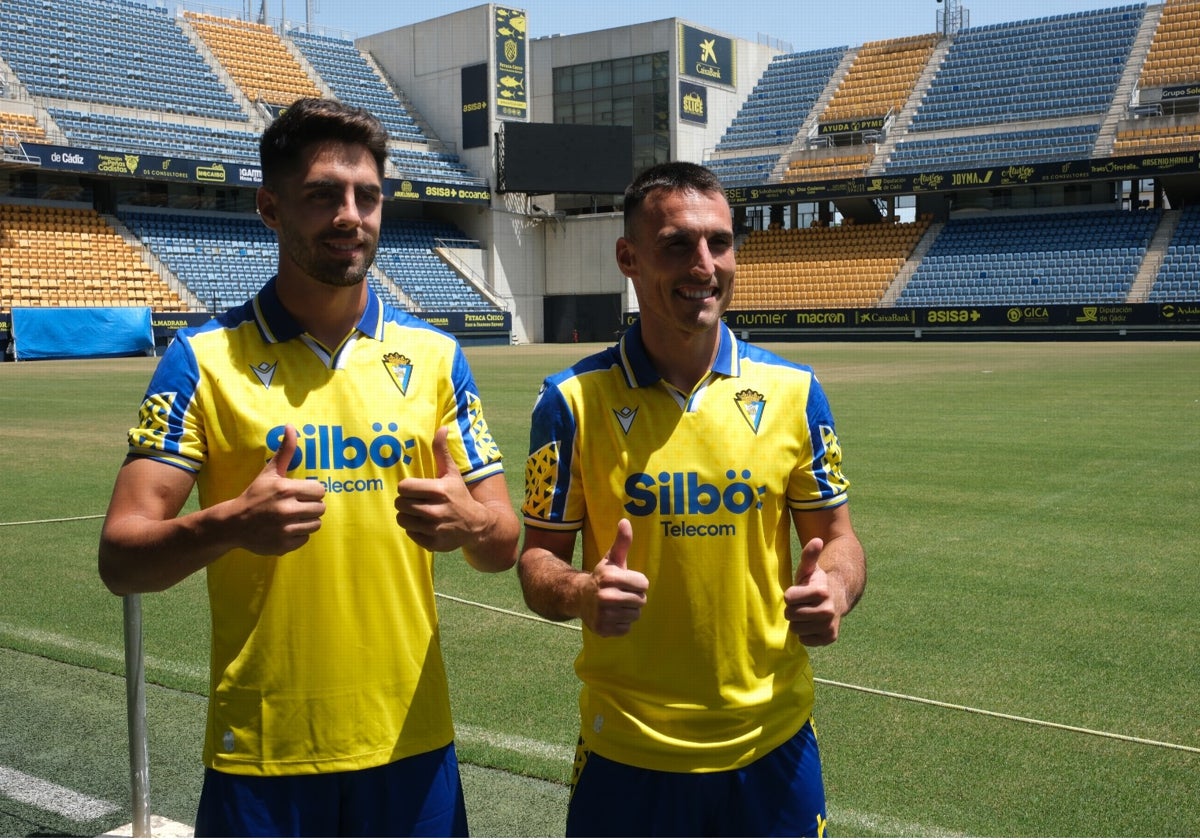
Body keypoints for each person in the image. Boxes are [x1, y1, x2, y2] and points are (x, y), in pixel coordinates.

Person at [98, 98, 519, 837]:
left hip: (411, 746)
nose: (350, 215)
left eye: (367, 195)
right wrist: (231, 522)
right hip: (263, 756)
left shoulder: (436, 359)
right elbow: (121, 558)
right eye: (323, 194)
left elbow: (503, 543)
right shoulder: (201, 360)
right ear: (270, 206)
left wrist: (471, 521)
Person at [518, 161, 866, 837]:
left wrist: (836, 589)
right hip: (628, 755)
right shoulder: (567, 404)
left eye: (719, 242)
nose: (703, 264)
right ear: (629, 256)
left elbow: (843, 540)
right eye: (677, 243)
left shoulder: (796, 393)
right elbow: (538, 564)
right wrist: (583, 593)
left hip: (773, 746)